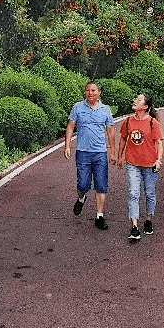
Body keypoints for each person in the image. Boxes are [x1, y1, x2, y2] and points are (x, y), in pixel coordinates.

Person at [64, 82, 116, 230]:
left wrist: (113, 152)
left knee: (101, 185)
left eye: (93, 90)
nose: (90, 93)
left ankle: (99, 216)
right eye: (87, 90)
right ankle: (81, 198)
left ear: (99, 92)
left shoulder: (105, 110)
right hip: (83, 153)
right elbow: (70, 126)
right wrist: (67, 146)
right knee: (83, 184)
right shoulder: (77, 108)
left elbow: (111, 131)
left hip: (100, 153)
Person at [115, 93, 164, 241]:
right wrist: (120, 156)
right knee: (134, 193)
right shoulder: (128, 121)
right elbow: (123, 139)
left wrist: (159, 161)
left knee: (150, 194)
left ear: (146, 106)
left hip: (150, 164)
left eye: (139, 100)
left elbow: (159, 143)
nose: (135, 101)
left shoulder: (153, 123)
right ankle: (135, 226)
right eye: (135, 99)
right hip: (133, 164)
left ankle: (148, 220)